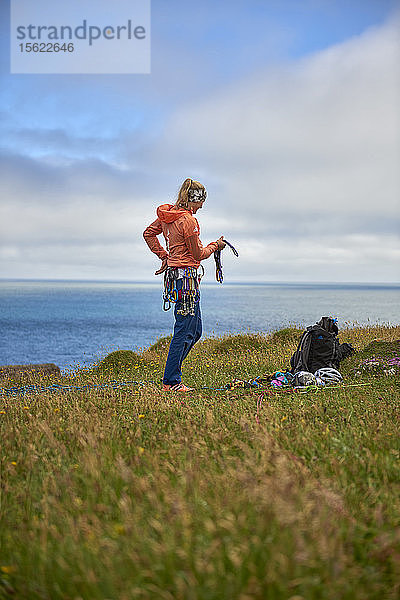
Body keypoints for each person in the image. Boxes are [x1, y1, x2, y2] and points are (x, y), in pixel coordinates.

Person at [143, 178, 225, 392]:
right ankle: (171, 381)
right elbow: (198, 254)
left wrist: (164, 255)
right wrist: (216, 245)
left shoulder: (168, 216)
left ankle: (172, 375)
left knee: (195, 330)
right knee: (183, 330)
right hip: (186, 279)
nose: (202, 206)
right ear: (193, 200)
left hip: (176, 278)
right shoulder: (188, 221)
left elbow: (148, 234)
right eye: (201, 202)